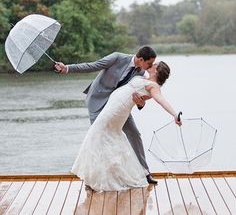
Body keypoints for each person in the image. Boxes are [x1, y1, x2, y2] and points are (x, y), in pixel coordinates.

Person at [70, 61, 181, 191]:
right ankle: (98, 176)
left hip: (117, 111)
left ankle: (97, 178)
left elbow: (161, 101)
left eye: (154, 64)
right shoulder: (143, 77)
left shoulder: (154, 86)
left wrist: (174, 114)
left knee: (98, 135)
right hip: (111, 106)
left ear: (157, 70)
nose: (151, 64)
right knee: (102, 137)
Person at [55, 46, 157, 184]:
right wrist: (67, 68)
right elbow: (92, 66)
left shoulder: (141, 73)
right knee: (97, 139)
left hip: (118, 106)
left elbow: (140, 98)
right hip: (98, 100)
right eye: (149, 63)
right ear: (140, 59)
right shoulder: (117, 57)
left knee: (134, 133)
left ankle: (145, 172)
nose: (150, 67)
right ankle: (92, 179)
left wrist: (140, 104)